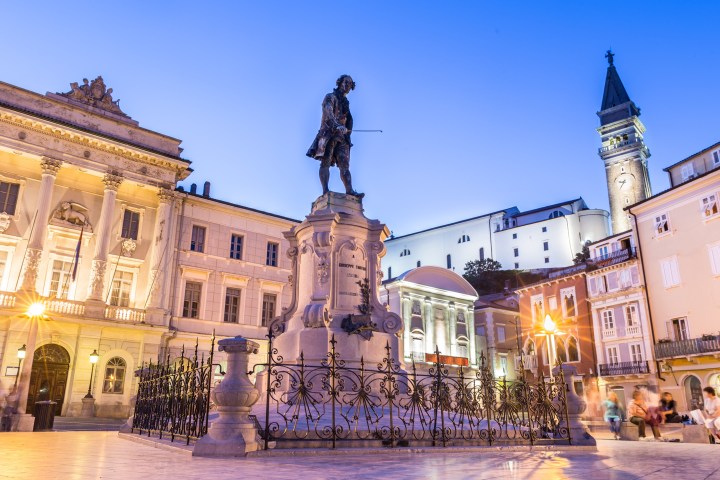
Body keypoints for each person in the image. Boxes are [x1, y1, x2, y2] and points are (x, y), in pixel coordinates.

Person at [307, 75, 362, 197]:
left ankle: (350, 191)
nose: (347, 85)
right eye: (345, 82)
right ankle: (325, 191)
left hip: (342, 137)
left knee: (345, 165)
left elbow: (348, 120)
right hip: (329, 134)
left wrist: (348, 132)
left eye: (350, 84)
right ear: (339, 83)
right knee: (325, 162)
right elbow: (328, 111)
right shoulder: (330, 97)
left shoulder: (346, 103)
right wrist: (337, 125)